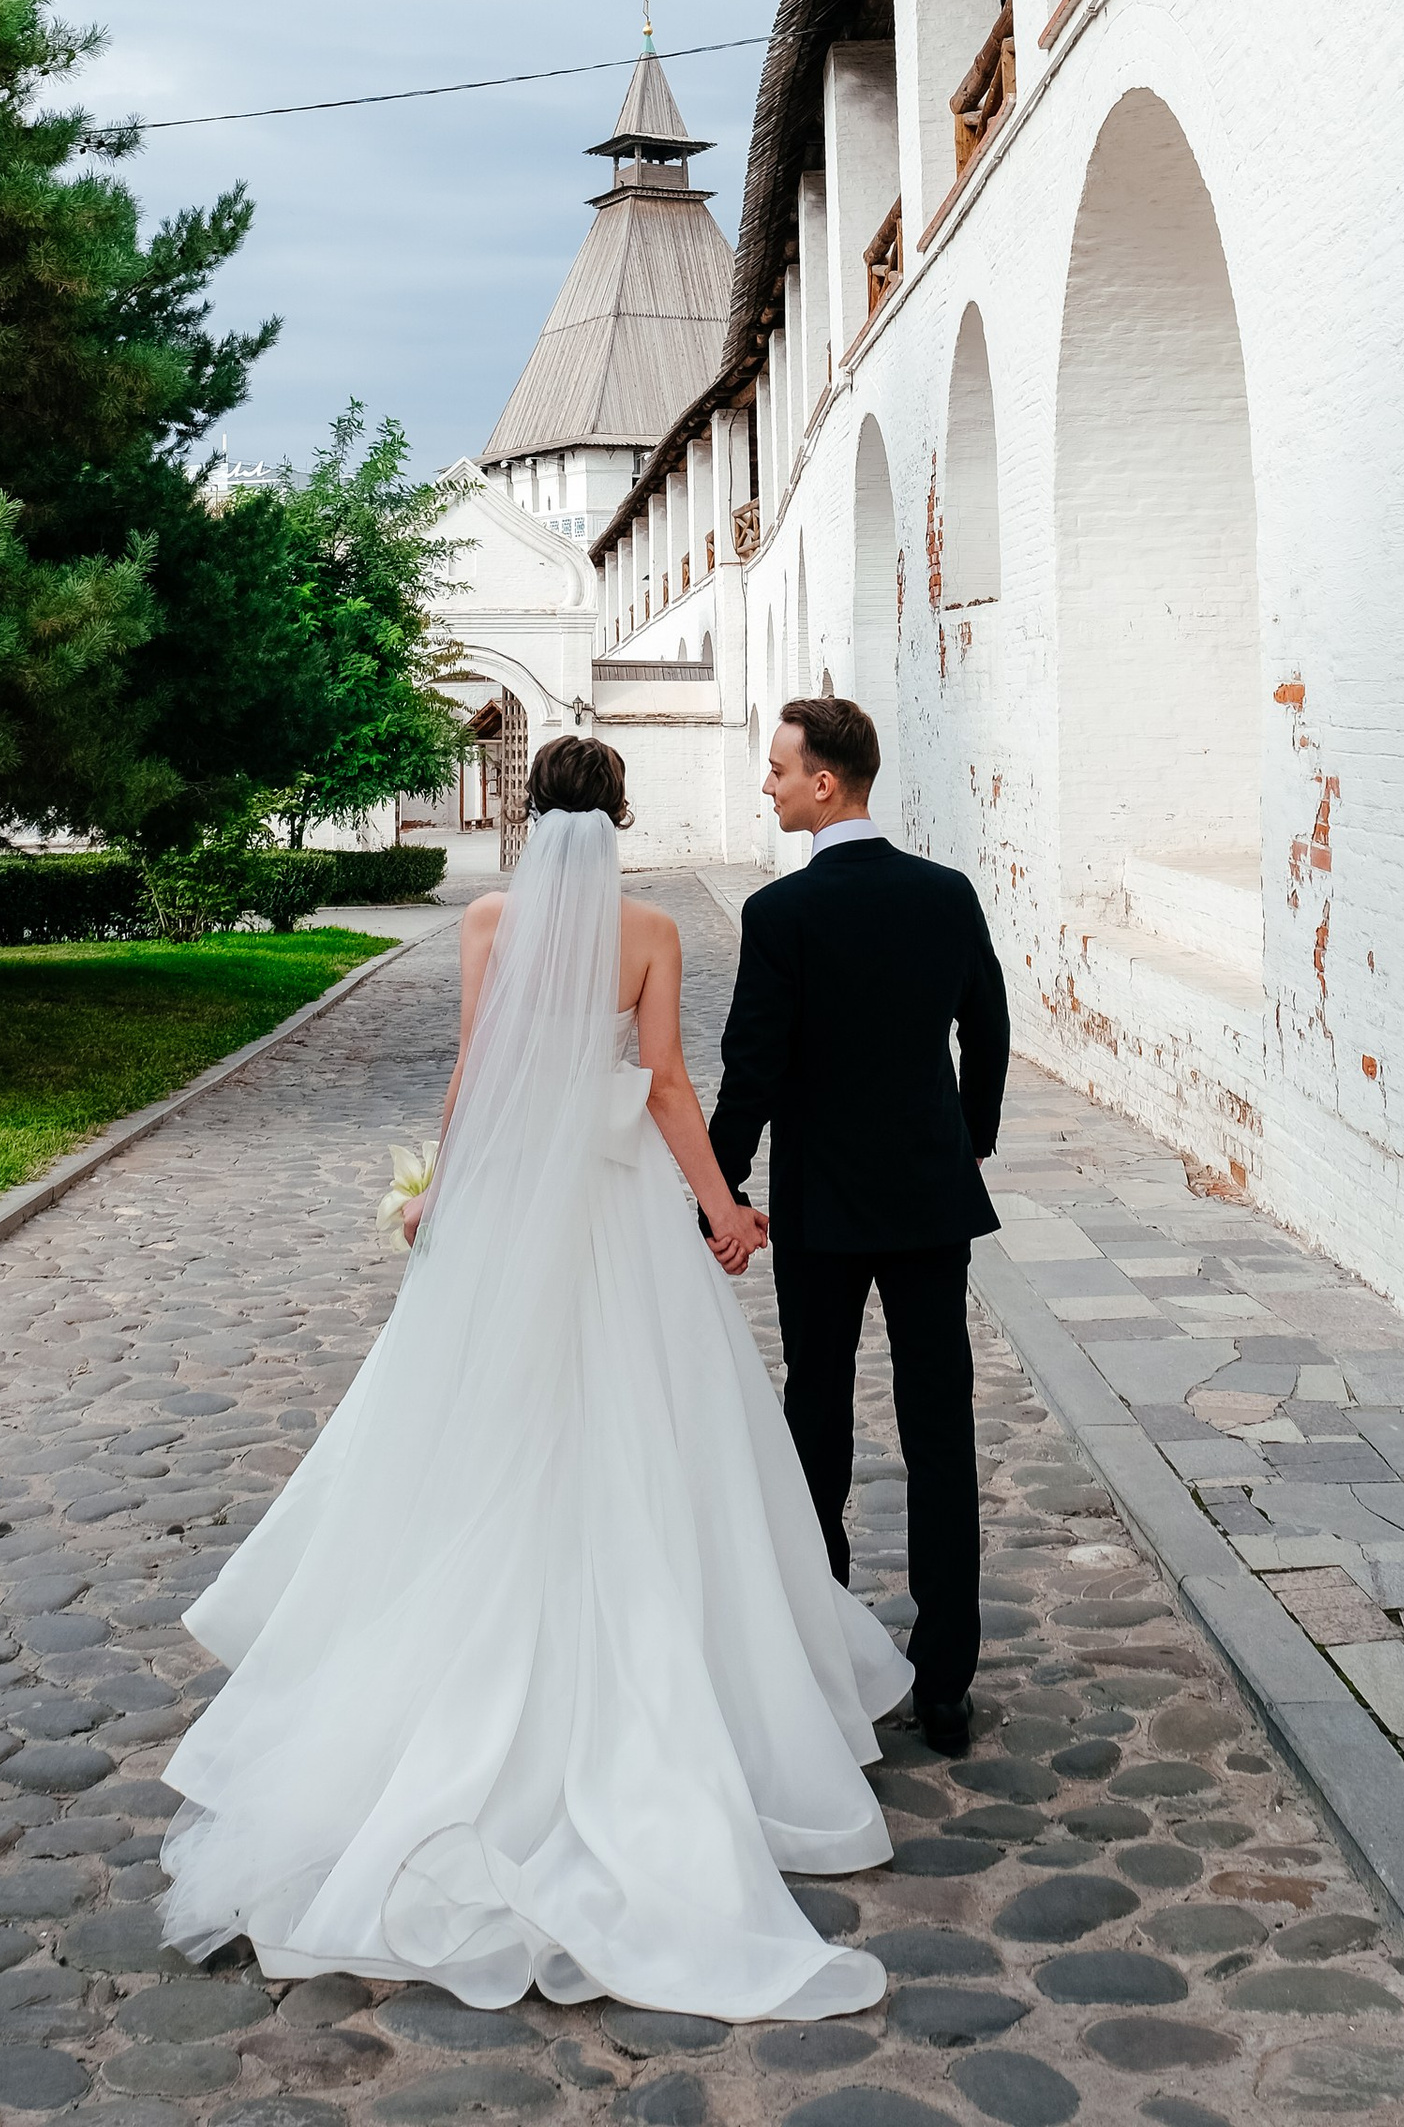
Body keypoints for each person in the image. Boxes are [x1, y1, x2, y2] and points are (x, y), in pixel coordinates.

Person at [157, 734, 910, 2019]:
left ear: (525, 814)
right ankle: (687, 1691)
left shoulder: (492, 920)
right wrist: (724, 1210)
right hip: (614, 1211)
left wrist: (445, 1195)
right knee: (651, 1429)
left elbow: (475, 1070)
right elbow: (669, 1085)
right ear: (617, 815)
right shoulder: (650, 932)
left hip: (516, 1204)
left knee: (483, 1430)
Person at [709, 693, 1010, 1759]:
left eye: (779, 770)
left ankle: (823, 1652)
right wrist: (968, 1137)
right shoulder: (945, 894)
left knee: (815, 1425)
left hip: (825, 1207)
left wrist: (723, 1187)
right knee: (940, 1432)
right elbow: (987, 1024)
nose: (769, 784)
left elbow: (754, 1067)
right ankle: (944, 1685)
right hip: (930, 1201)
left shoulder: (783, 916)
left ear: (823, 783)